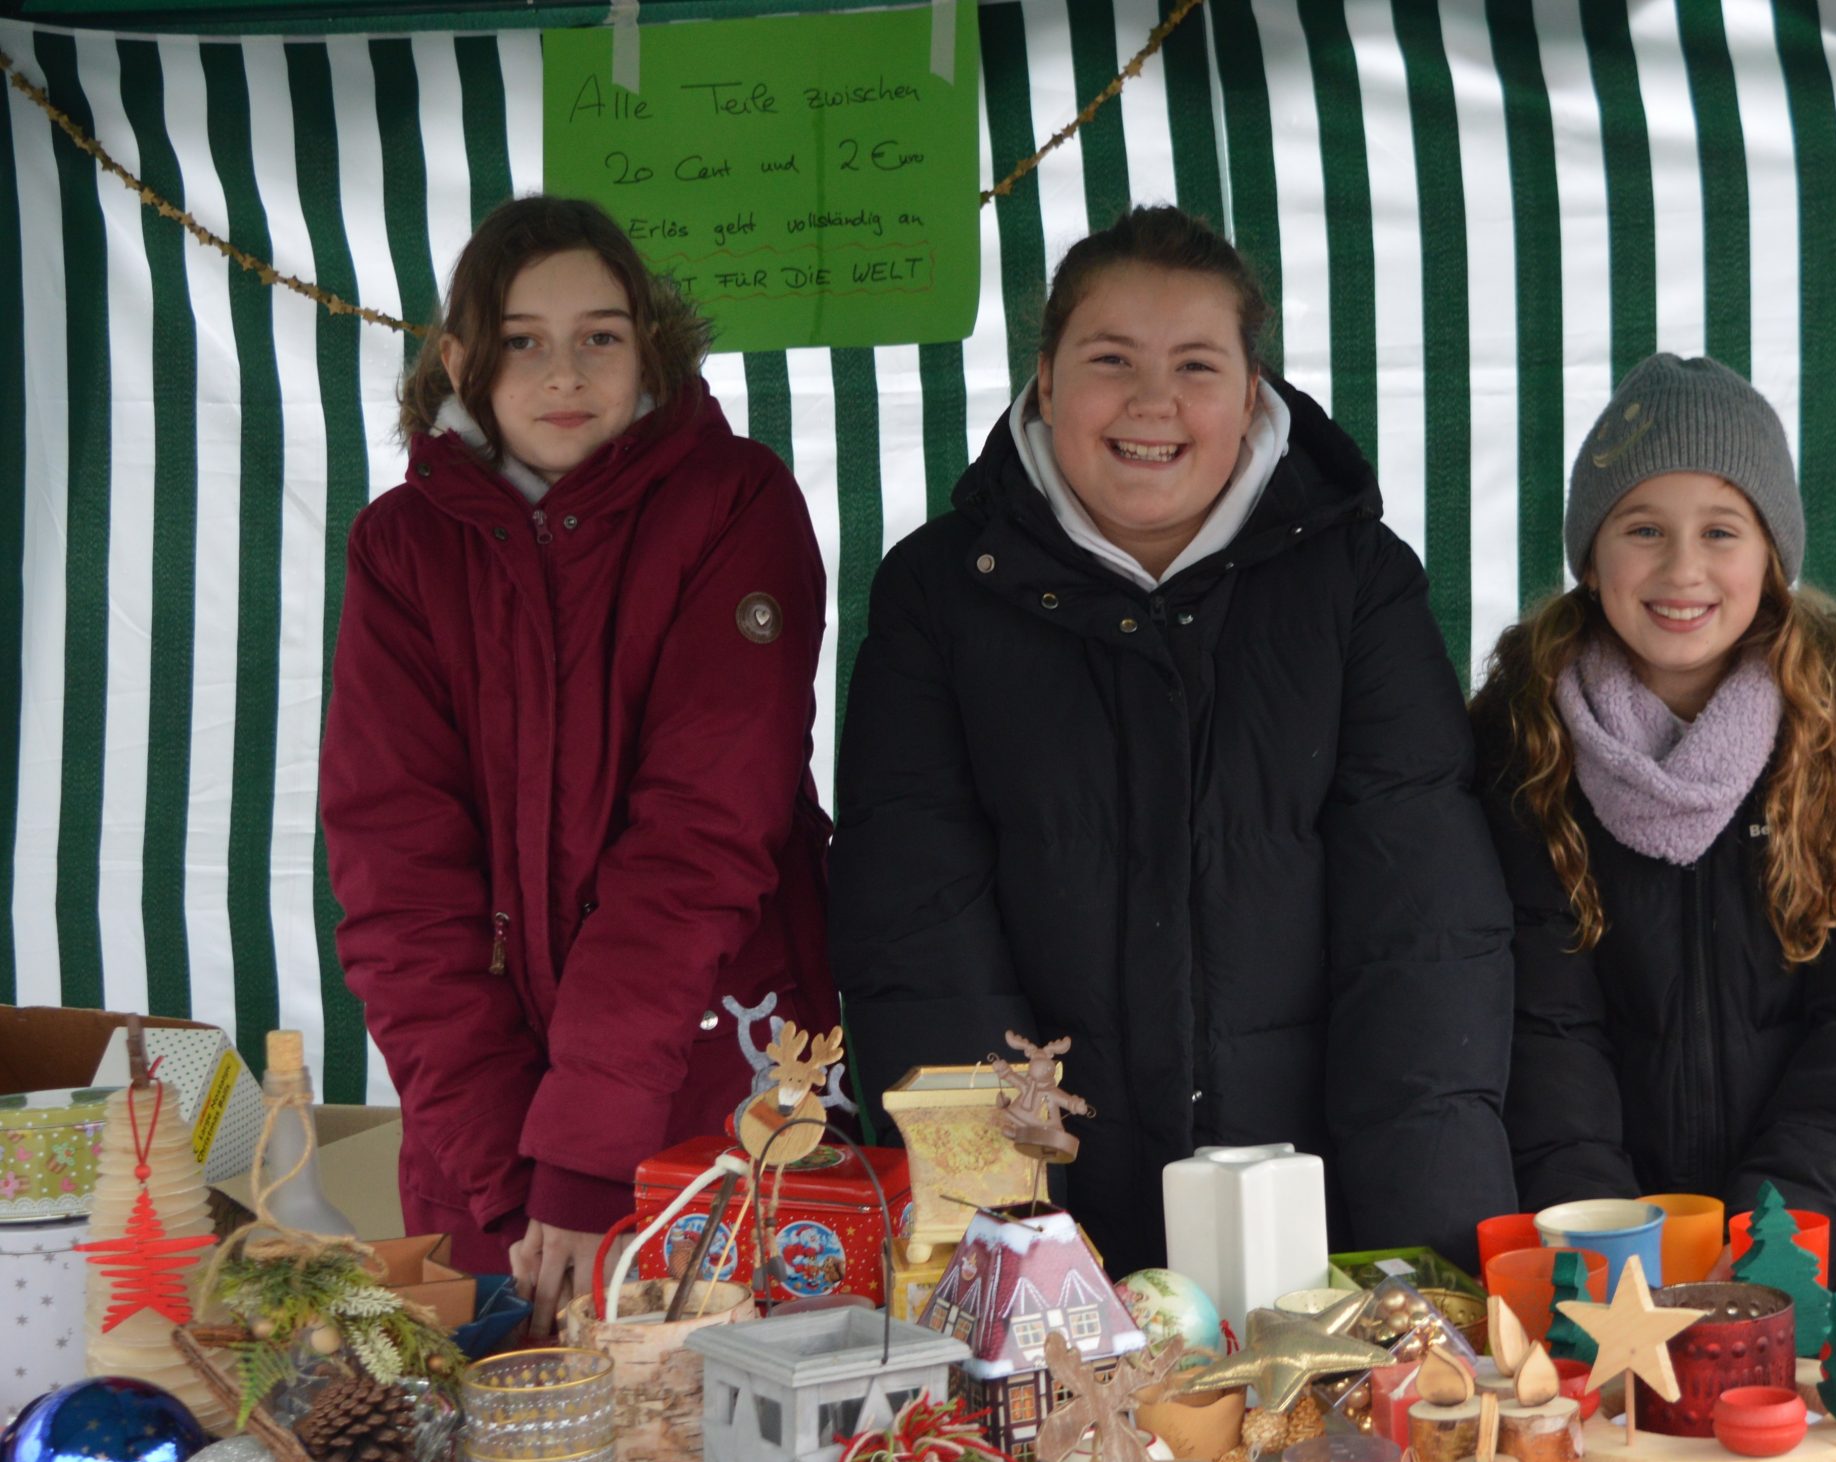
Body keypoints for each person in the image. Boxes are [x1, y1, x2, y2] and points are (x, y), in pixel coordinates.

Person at [831, 205, 1514, 1272]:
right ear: (1045, 381)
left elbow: (1419, 930)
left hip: (1314, 1212)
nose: (1152, 403)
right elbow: (921, 932)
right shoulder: (938, 594)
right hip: (1056, 1219)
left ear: (1251, 395)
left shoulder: (1356, 584)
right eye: (1111, 360)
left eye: (1196, 364)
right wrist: (1006, 1245)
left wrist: (1418, 1262)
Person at [320, 197, 835, 1334]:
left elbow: (700, 837)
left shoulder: (733, 502)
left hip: (726, 1079)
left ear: (648, 345)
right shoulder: (405, 550)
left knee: (734, 1447)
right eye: (521, 338)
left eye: (600, 334)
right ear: (461, 357)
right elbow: (400, 884)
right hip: (486, 1141)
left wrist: (592, 1158)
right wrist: (518, 1182)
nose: (566, 371)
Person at [1473, 354, 1836, 1298]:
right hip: (1604, 1273)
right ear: (1591, 555)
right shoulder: (1519, 749)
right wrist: (1609, 1260)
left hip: (1825, 1267)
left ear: (1771, 556)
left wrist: (1771, 1256)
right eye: (1642, 529)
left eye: (1720, 530)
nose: (1682, 570)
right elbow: (1542, 1034)